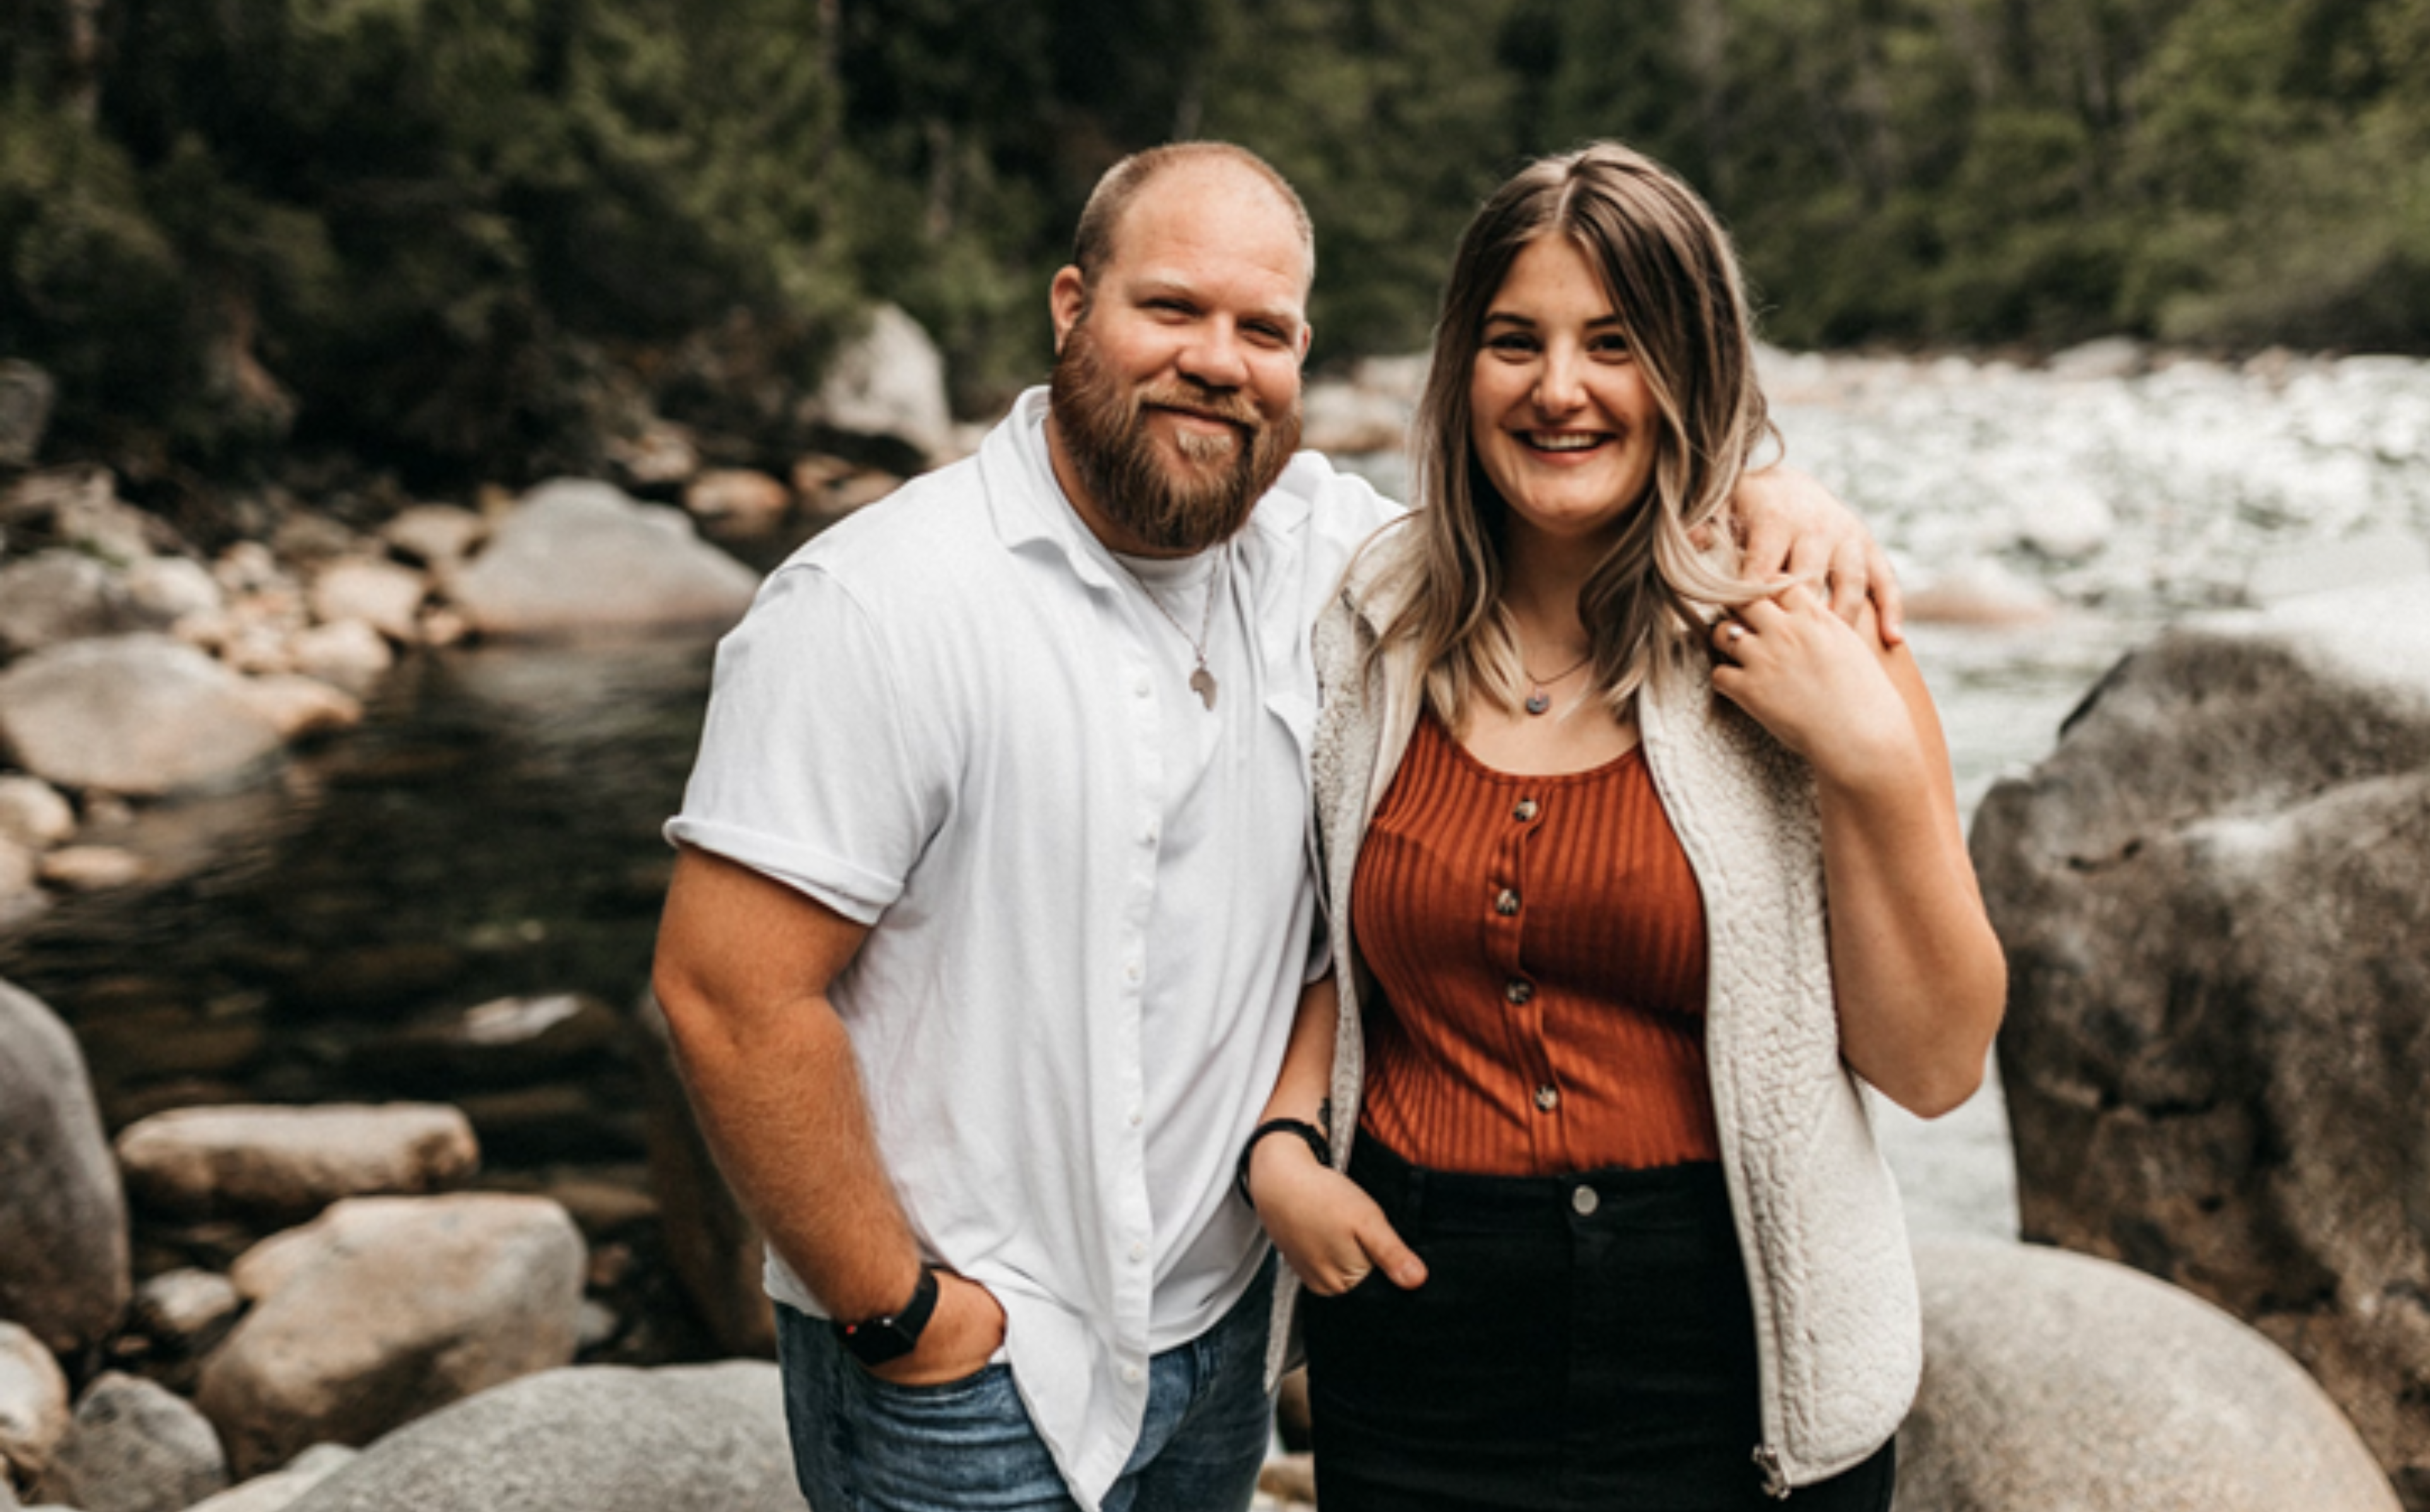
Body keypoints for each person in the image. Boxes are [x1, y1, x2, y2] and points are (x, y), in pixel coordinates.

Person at [651, 140, 1902, 1512]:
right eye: (1171, 309)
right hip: (975, 1368)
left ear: (1303, 353)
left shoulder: (1331, 565)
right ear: (1072, 308)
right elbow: (726, 991)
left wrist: (1770, 494)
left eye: (1263, 330)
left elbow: (1560, 493)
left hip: (1221, 1345)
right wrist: (901, 1315)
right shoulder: (882, 603)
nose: (1216, 360)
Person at [1242, 143, 2007, 1512]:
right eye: (1513, 341)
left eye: (1616, 342)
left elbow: (1937, 1064)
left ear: (1692, 366)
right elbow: (1318, 949)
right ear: (1458, 371)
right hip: (1415, 1349)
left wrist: (1872, 763)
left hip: (1724, 1359)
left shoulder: (1804, 628)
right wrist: (1284, 1146)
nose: (1558, 390)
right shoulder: (1368, 619)